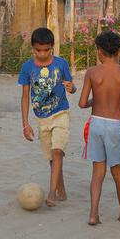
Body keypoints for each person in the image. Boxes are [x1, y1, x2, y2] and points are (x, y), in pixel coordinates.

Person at [79, 31, 120, 225]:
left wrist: (95, 100)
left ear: (99, 52)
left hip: (96, 122)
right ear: (119, 51)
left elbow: (81, 103)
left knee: (97, 172)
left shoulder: (92, 72)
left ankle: (93, 214)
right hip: (116, 125)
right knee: (118, 171)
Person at [19, 27, 75, 208]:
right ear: (32, 49)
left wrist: (71, 88)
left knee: (57, 151)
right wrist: (25, 124)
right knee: (52, 157)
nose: (42, 54)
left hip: (61, 113)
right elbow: (25, 96)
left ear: (52, 47)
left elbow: (72, 87)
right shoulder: (27, 67)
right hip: (41, 118)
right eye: (38, 50)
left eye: (46, 50)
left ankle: (51, 194)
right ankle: (61, 188)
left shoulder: (61, 64)